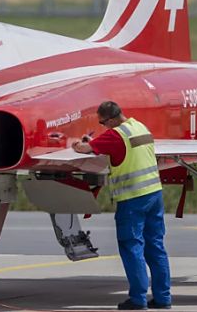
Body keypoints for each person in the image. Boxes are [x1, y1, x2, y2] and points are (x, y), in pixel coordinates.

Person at [72, 101, 171, 310]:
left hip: (133, 199)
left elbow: (83, 148)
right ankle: (163, 298)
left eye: (102, 122)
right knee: (156, 246)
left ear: (110, 119)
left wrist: (79, 144)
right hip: (154, 195)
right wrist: (96, 141)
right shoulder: (139, 127)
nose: (102, 126)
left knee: (131, 245)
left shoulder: (114, 135)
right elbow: (113, 144)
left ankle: (138, 299)